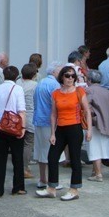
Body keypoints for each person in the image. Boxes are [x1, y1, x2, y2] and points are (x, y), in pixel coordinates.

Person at [36, 66, 91, 201]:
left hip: (75, 128)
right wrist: (52, 133)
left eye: (73, 76)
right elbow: (53, 114)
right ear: (62, 77)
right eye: (67, 76)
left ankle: (74, 189)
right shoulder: (56, 93)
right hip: (60, 128)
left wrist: (89, 130)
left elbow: (87, 111)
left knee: (74, 158)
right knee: (52, 157)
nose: (70, 78)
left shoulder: (79, 91)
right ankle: (51, 188)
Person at [0, 65, 27, 197]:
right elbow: (21, 110)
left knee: (0, 159)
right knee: (17, 158)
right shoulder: (18, 89)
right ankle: (18, 187)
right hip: (14, 125)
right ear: (16, 76)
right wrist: (23, 127)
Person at [32, 61, 64, 189]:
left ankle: (42, 179)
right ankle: (52, 181)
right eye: (61, 71)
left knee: (41, 152)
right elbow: (57, 105)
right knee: (52, 152)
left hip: (38, 120)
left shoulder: (41, 83)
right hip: (49, 122)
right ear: (55, 72)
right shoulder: (54, 85)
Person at [85, 69, 109, 182]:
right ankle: (95, 171)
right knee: (102, 148)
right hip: (107, 123)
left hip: (94, 123)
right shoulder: (108, 92)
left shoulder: (88, 91)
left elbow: (86, 108)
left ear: (90, 80)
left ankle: (98, 174)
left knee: (94, 148)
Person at [17, 63, 39, 178]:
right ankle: (24, 168)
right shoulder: (35, 85)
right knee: (28, 143)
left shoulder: (18, 82)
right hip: (29, 116)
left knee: (19, 143)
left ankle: (19, 165)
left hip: (17, 116)